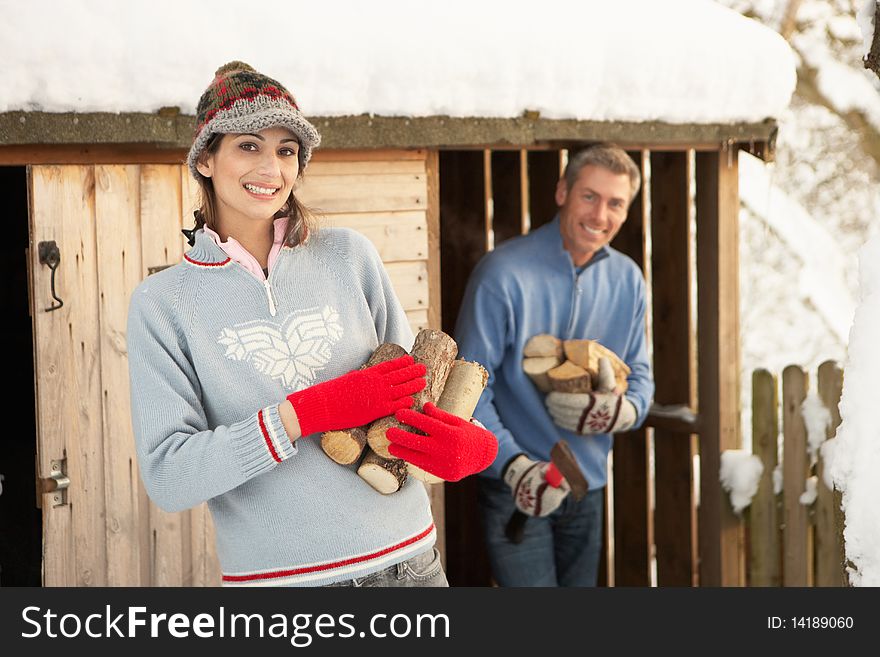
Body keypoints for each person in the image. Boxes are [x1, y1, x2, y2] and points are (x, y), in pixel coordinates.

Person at [126, 61, 497, 588]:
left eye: (286, 150)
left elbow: (416, 398)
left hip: (413, 567)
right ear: (206, 158)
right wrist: (301, 415)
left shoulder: (350, 258)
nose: (271, 169)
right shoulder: (163, 305)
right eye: (248, 146)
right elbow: (170, 476)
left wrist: (470, 445)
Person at [454, 144, 655, 587]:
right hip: (514, 486)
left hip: (588, 488)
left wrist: (627, 410)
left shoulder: (629, 280)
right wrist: (513, 465)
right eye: (589, 196)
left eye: (615, 203)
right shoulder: (501, 273)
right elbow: (468, 390)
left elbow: (640, 377)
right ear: (562, 191)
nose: (600, 214)